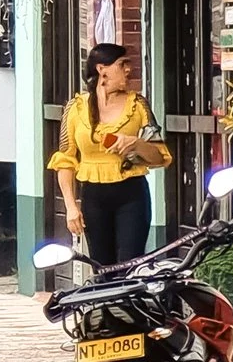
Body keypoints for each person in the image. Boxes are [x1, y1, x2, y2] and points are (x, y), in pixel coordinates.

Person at [51, 41, 171, 267]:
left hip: (131, 193)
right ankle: (106, 304)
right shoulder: (75, 108)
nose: (128, 69)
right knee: (101, 265)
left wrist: (136, 144)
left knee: (131, 262)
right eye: (122, 64)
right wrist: (70, 206)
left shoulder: (138, 106)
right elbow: (65, 161)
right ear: (101, 70)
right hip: (93, 196)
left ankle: (130, 303)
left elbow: (160, 157)